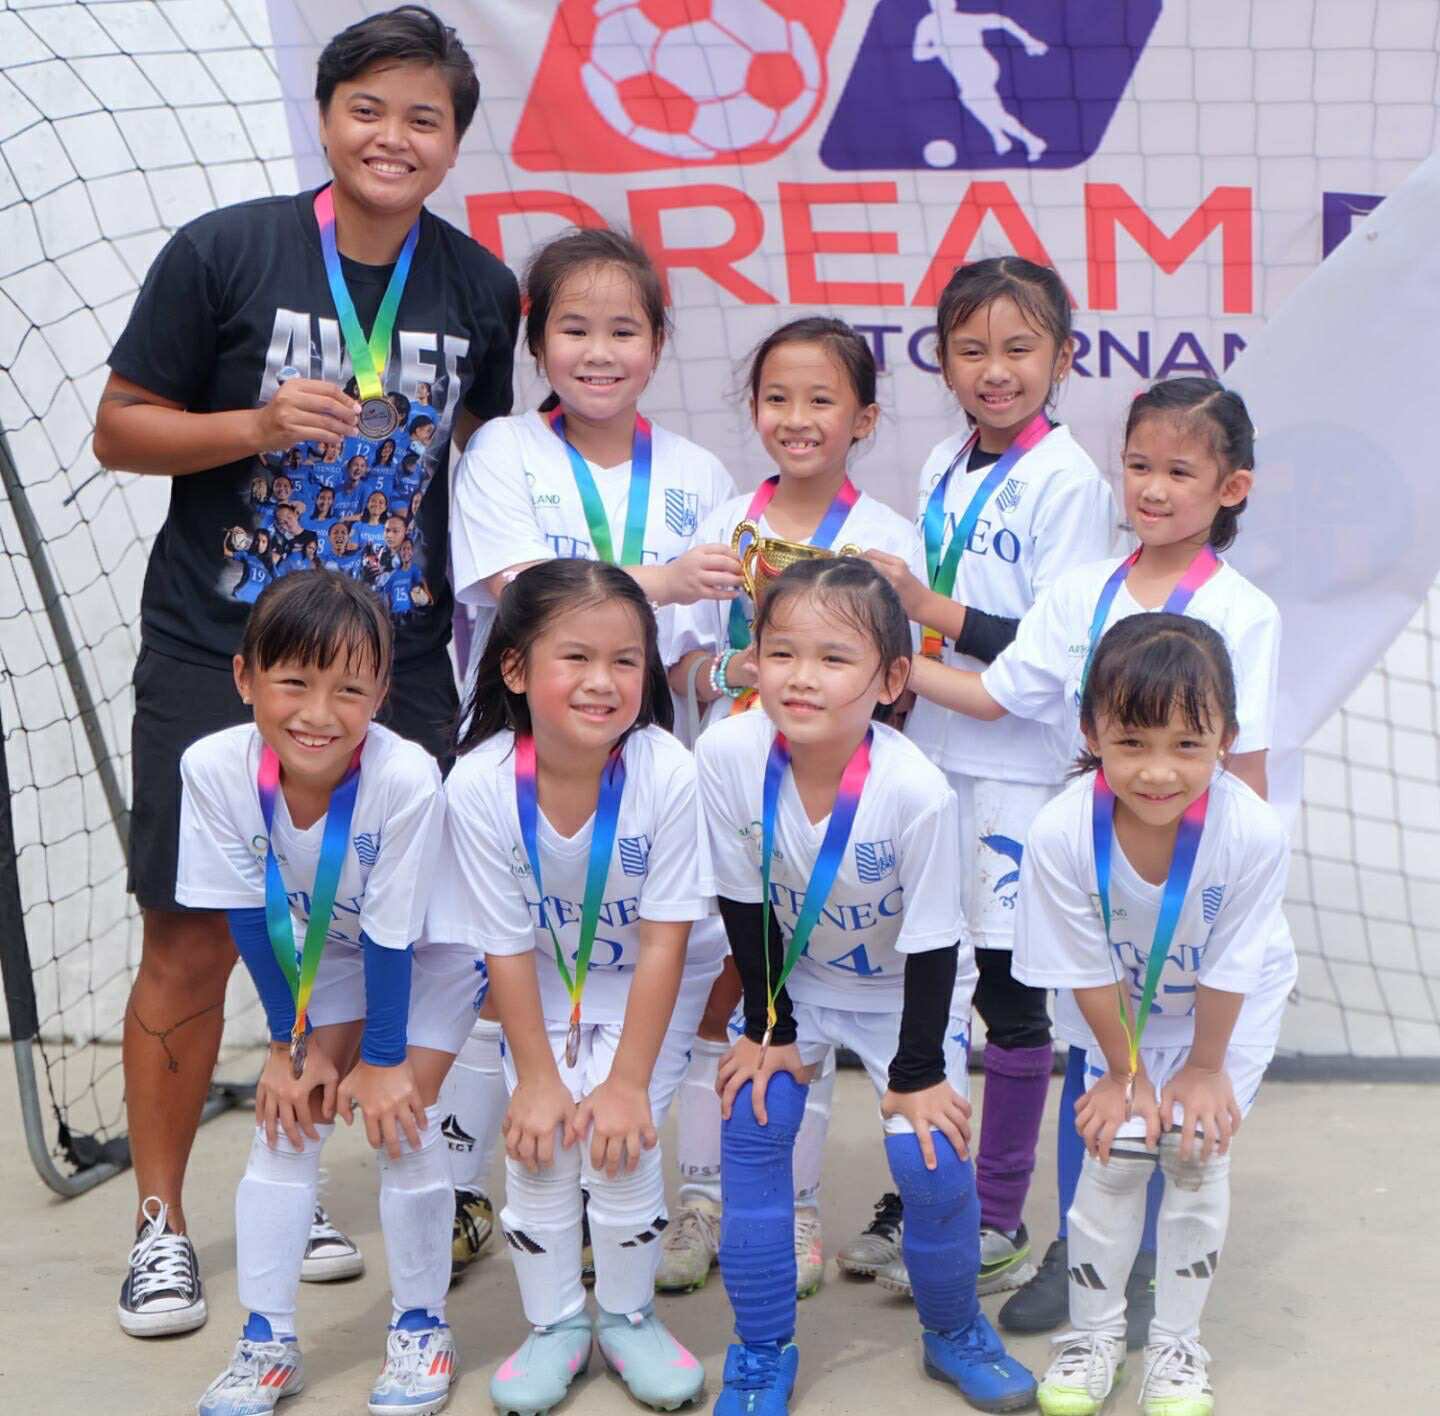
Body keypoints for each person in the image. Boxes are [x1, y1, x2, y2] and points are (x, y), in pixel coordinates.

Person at [90, 4, 520, 1338]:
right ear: (326, 117)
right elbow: (117, 429)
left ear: (453, 142)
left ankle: (303, 1180)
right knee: (187, 931)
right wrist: (252, 424)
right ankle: (161, 1225)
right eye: (369, 109)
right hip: (218, 650)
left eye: (424, 118)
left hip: (394, 666)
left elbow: (492, 478)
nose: (394, 138)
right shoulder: (227, 250)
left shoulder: (481, 289)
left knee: (379, 936)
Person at [908, 378, 1280, 1345]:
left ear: (1231, 487)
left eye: (1180, 472)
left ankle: (1155, 1270)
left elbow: (1243, 765)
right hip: (1103, 875)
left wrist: (1226, 882)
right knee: (1099, 1075)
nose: (1153, 490)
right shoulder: (1080, 593)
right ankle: (1088, 1268)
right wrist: (886, 673)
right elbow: (997, 698)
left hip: (1190, 889)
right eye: (1139, 466)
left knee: (1188, 1103)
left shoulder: (1246, 612)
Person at [441, 226, 741, 1278]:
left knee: (677, 965)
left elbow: (698, 659)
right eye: (574, 327)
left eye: (624, 329)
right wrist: (658, 580)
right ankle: (481, 1188)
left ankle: (677, 1188)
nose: (599, 350)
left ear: (659, 342)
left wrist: (742, 681)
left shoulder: (700, 473)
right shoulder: (502, 453)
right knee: (499, 966)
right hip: (527, 765)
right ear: (537, 343)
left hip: (649, 773)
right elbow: (518, 592)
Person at [696, 557, 1036, 1415]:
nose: (801, 677)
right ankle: (761, 1348)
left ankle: (953, 1330)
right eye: (781, 652)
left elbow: (933, 945)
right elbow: (744, 903)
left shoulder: (914, 790)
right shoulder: (727, 752)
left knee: (926, 1160)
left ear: (890, 680)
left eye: (833, 658)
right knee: (753, 1122)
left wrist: (919, 1075)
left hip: (905, 997)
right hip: (794, 984)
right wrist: (768, 1027)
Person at [848, 258, 1117, 1303]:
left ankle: (999, 1213)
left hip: (1022, 770)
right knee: (931, 984)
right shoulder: (942, 467)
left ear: (1061, 356)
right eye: (972, 350)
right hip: (935, 760)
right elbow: (929, 615)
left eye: (1018, 349)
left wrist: (928, 614)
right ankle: (934, 1188)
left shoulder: (1072, 483)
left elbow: (1056, 655)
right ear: (942, 361)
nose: (995, 371)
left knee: (1011, 999)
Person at [658, 316, 926, 1300]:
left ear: (865, 415)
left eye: (822, 400)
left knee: (797, 995)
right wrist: (727, 667)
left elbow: (903, 682)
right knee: (721, 988)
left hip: (826, 818)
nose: (798, 418)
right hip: (726, 799)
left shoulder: (887, 540)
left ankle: (798, 1205)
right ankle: (700, 1197)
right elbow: (679, 664)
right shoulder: (724, 526)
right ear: (754, 409)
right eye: (778, 398)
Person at [178, 572, 474, 1416]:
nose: (320, 712)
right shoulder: (211, 766)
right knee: (286, 1119)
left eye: (350, 688)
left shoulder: (405, 777)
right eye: (294, 683)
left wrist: (382, 1061)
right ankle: (266, 1340)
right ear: (245, 680)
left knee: (401, 1120)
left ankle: (421, 1326)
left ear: (381, 692)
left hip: (426, 958)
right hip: (323, 964)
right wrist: (288, 1046)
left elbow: (393, 934)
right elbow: (243, 911)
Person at [426, 560, 711, 1415]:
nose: (604, 682)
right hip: (544, 981)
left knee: (619, 1139)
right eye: (576, 657)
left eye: (627, 661)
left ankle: (627, 1318)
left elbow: (665, 942)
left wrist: (626, 1084)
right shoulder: (478, 784)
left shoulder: (668, 771)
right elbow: (506, 948)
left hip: (654, 980)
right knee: (542, 1141)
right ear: (514, 668)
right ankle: (555, 1325)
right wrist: (540, 1081)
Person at [1014, 613, 1296, 1416]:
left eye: (1188, 744)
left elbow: (1236, 961)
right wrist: (1122, 1071)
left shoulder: (1251, 832)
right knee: (1117, 1147)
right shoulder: (1061, 830)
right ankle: (1095, 1335)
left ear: (1227, 738)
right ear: (1091, 730)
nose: (1159, 772)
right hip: (1116, 1013)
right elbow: (1080, 969)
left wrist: (1205, 1069)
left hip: (1223, 1012)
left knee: (1196, 1148)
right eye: (1132, 742)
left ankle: (1178, 1345)